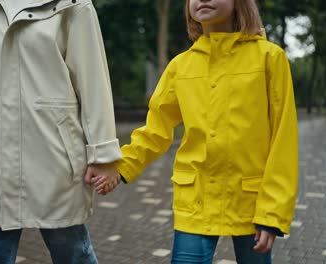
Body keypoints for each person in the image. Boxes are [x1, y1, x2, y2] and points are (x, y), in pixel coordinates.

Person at [87, 0, 298, 263]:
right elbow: (155, 131)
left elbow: (283, 142)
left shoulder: (270, 59)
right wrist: (118, 166)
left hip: (253, 203)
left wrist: (272, 214)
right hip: (195, 199)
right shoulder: (180, 67)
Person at [0, 0, 121, 263]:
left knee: (72, 256)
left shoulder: (74, 5)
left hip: (55, 160)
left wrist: (105, 156)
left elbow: (93, 82)